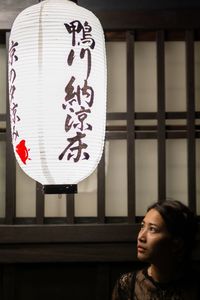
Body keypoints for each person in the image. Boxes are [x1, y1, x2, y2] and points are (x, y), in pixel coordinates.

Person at [112, 200, 199, 299]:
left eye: (152, 229)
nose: (141, 237)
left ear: (177, 243)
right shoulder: (127, 285)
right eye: (142, 226)